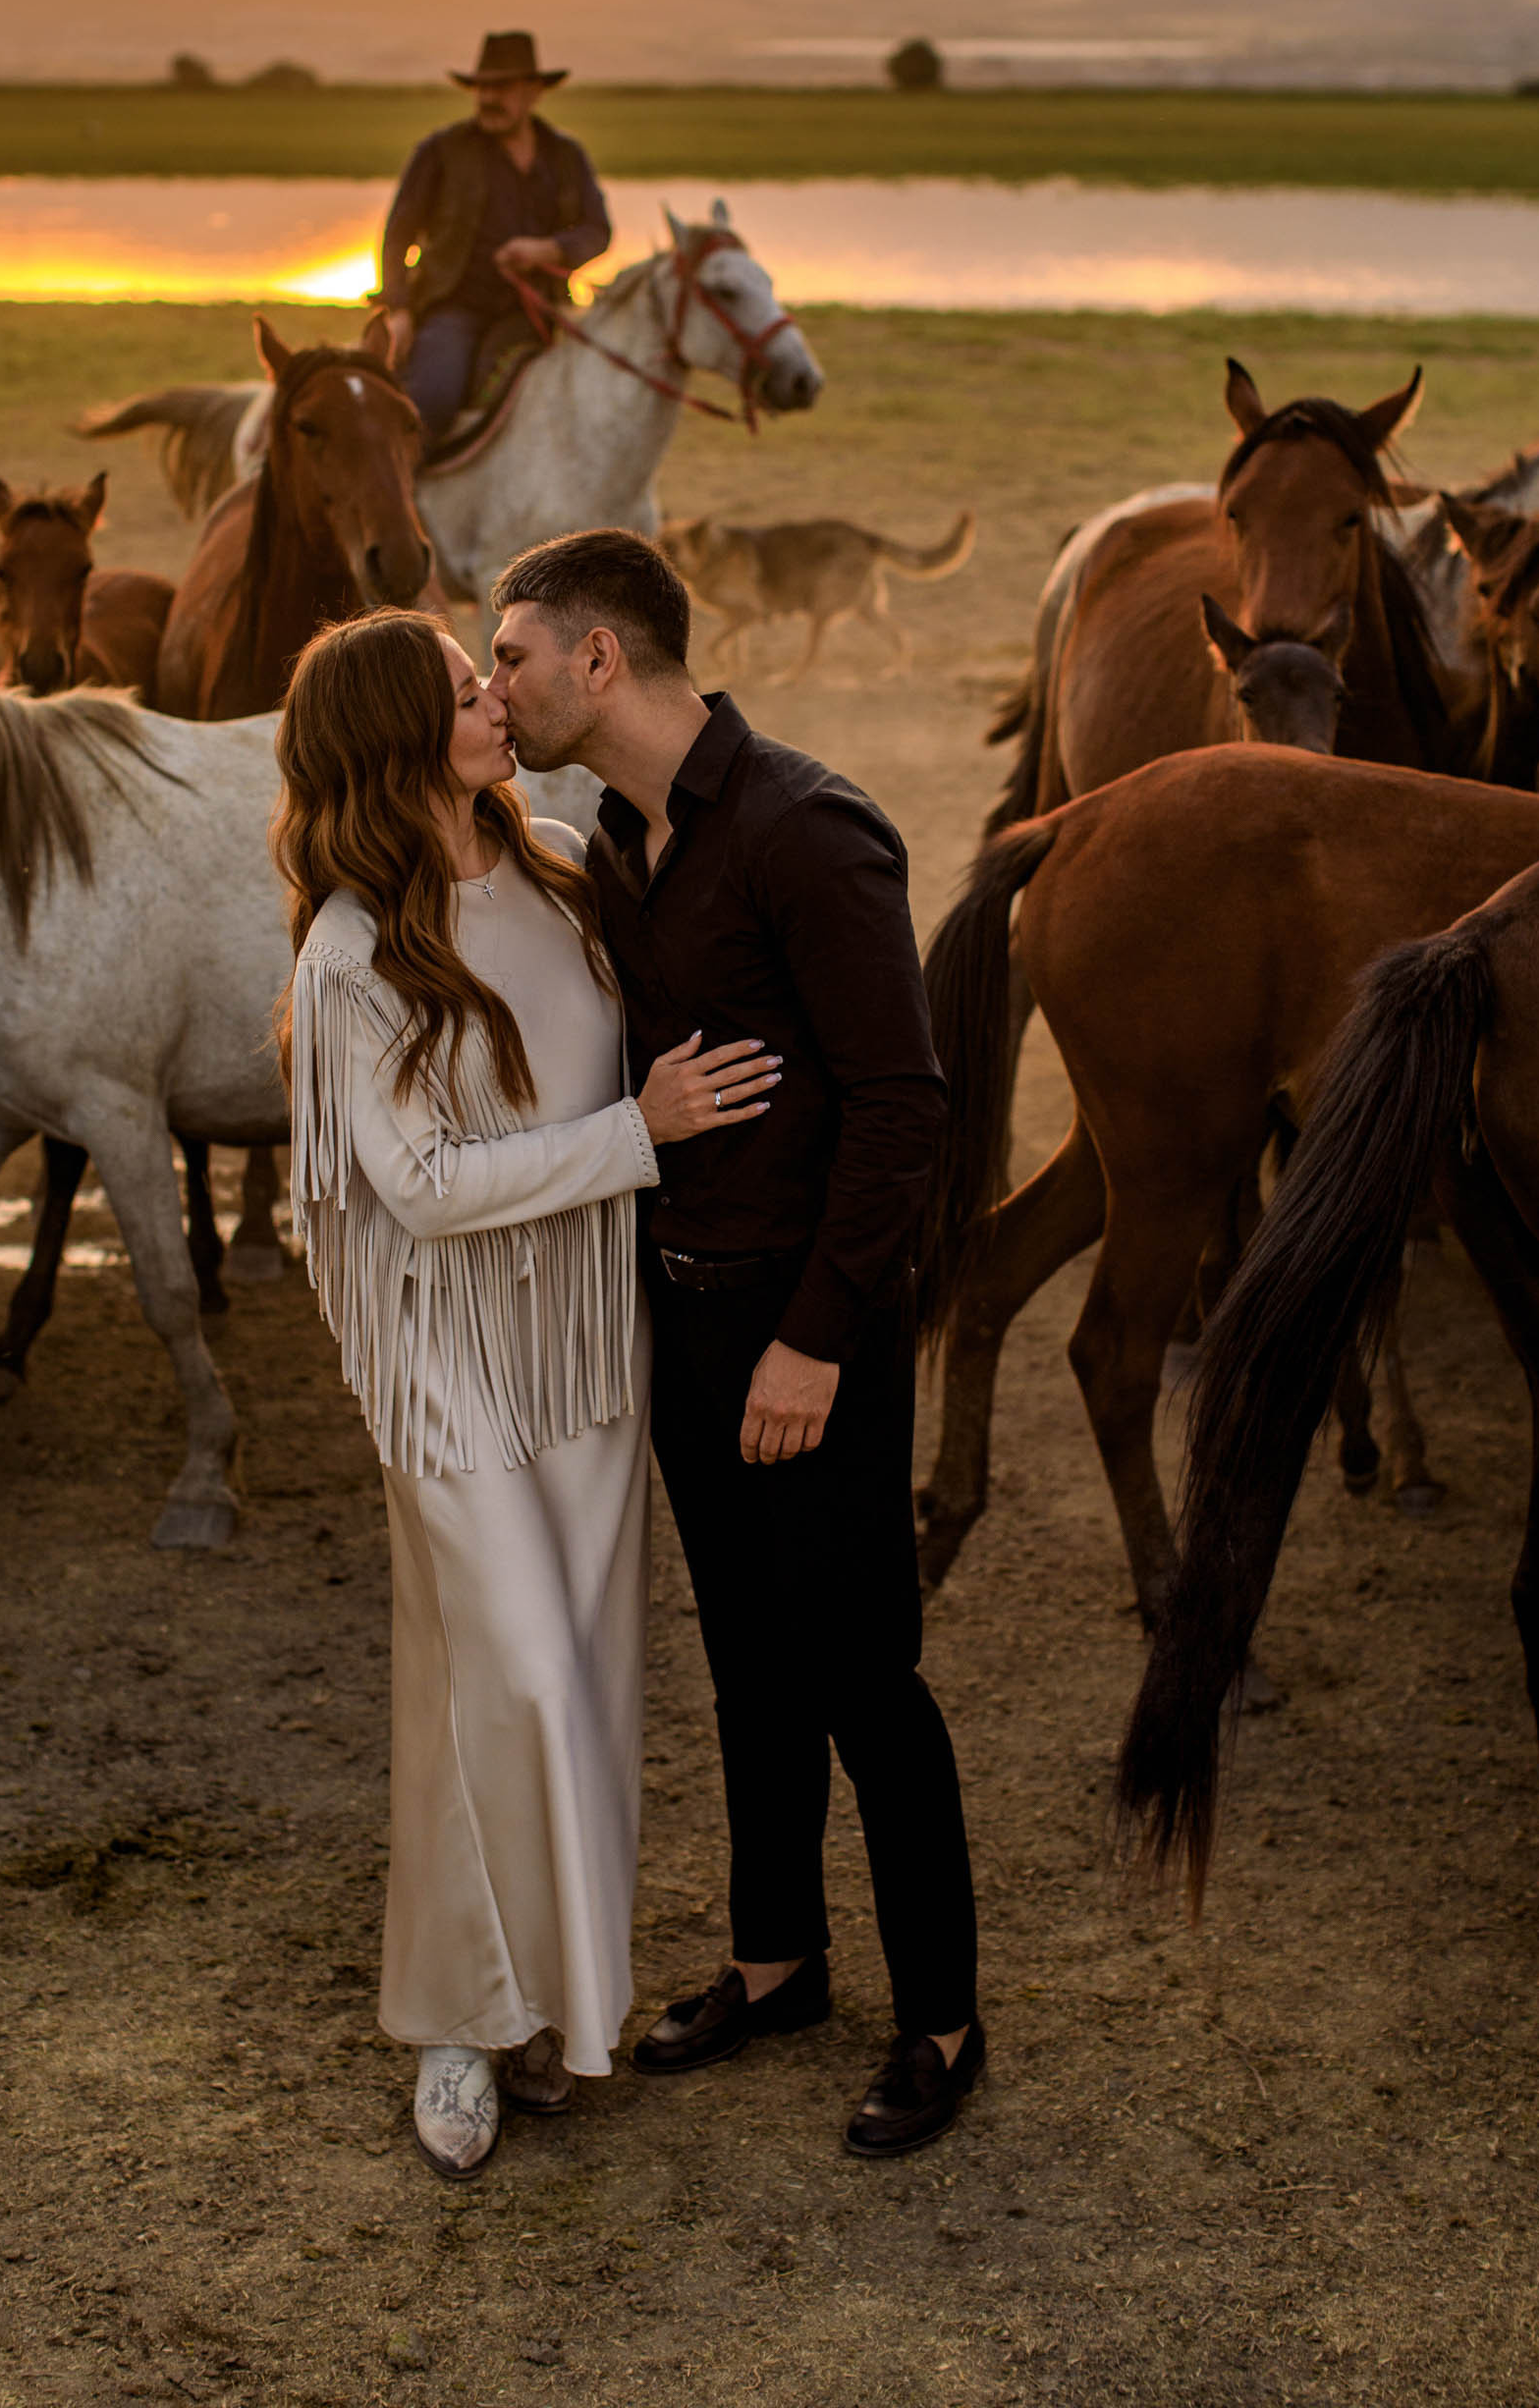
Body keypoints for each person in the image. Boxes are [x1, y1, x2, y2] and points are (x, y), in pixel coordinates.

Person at [485, 530, 983, 2159]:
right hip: (683, 1318)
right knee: (752, 1663)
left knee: (864, 1679)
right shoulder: (620, 844)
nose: (498, 686)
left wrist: (817, 1342)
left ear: (600, 661)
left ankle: (942, 2021)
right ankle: (777, 1966)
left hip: (804, 1334)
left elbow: (906, 1110)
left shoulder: (807, 832)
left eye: (512, 657)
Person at [275, 606, 778, 2182]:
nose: (497, 695)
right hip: (448, 1371)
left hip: (583, 1353)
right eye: (461, 687)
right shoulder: (353, 947)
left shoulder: (563, 867)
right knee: (509, 1683)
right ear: (391, 742)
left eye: (486, 673)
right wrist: (646, 1133)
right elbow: (415, 1188)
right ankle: (452, 2018)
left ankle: (555, 2009)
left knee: (592, 1686)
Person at [375, 31, 614, 448]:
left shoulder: (565, 155)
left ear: (534, 91)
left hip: (535, 307)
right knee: (431, 399)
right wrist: (398, 307)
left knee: (570, 404)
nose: (488, 98)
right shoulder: (441, 151)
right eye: (482, 87)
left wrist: (550, 250)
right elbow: (398, 235)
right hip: (453, 306)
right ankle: (409, 496)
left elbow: (597, 230)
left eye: (501, 87)